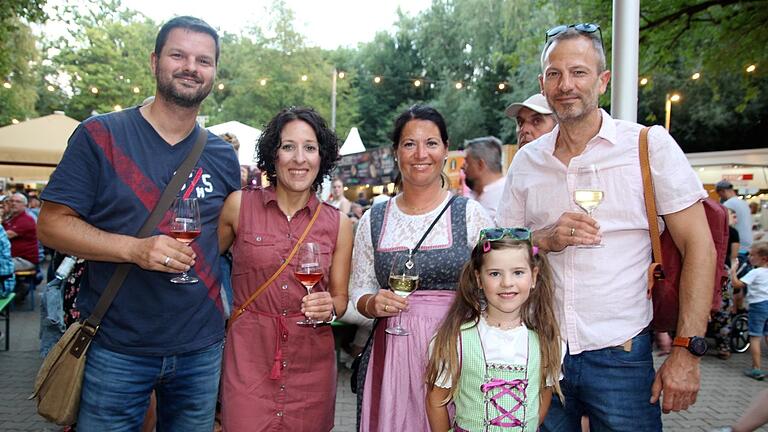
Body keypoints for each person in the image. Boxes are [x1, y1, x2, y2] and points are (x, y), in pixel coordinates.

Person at [497, 24, 716, 430]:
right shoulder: (528, 161)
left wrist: (686, 351)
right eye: (554, 74)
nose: (566, 85)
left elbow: (700, 247)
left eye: (578, 72)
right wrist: (544, 239)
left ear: (603, 80)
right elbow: (499, 250)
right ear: (543, 84)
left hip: (622, 355)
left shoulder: (648, 146)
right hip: (541, 352)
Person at [37, 16, 240, 430]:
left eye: (204, 60)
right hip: (117, 346)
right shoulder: (100, 135)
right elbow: (52, 225)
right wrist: (134, 249)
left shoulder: (221, 155)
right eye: (178, 55)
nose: (191, 67)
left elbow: (221, 237)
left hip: (201, 348)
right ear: (154, 62)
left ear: (215, 72)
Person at [350, 104, 493, 431]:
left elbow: (493, 288)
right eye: (409, 143)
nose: (420, 154)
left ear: (445, 149)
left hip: (455, 352)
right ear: (396, 152)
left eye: (431, 143)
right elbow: (356, 291)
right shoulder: (375, 218)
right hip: (392, 353)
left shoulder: (470, 215)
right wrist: (371, 303)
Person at [218, 106, 353, 431]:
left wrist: (329, 307)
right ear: (273, 154)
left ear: (322, 158)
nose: (299, 158)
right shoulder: (239, 206)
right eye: (288, 146)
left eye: (310, 148)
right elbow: (204, 268)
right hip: (248, 360)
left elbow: (340, 299)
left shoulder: (339, 224)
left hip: (311, 365)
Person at [426, 227, 563, 431]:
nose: (507, 283)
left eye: (518, 272)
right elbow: (435, 401)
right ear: (479, 279)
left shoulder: (548, 341)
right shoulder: (456, 340)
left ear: (534, 276)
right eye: (495, 273)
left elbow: (542, 397)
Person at [730, 241, 768, 380]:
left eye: (752, 255)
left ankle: (756, 369)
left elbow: (737, 284)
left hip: (758, 306)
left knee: (755, 337)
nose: (750, 257)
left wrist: (733, 270)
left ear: (763, 258)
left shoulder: (756, 272)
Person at [462, 136, 506, 219]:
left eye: (467, 162)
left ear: (480, 164)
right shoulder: (472, 197)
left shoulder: (509, 196)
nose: (463, 167)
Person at [2, 193, 39, 272]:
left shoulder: (26, 220)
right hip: (12, 258)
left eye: (18, 201)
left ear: (25, 205)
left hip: (24, 260)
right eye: (11, 201)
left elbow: (3, 236)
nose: (13, 203)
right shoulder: (10, 218)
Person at [716, 180, 754, 255]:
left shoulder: (728, 204)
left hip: (737, 244)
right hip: (748, 242)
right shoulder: (744, 203)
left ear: (723, 191)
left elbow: (723, 225)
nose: (720, 197)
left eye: (719, 194)